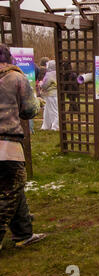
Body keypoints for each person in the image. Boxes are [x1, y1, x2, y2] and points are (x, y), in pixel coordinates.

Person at [0, 44, 47, 250]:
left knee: (14, 188)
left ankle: (23, 233)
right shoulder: (16, 78)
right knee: (10, 192)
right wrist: (38, 102)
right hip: (7, 143)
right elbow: (28, 110)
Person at [40, 60, 59, 131]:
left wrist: (41, 84)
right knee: (47, 111)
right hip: (54, 94)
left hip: (50, 94)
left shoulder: (49, 74)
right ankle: (46, 126)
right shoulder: (57, 74)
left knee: (53, 110)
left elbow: (45, 85)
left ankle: (55, 126)